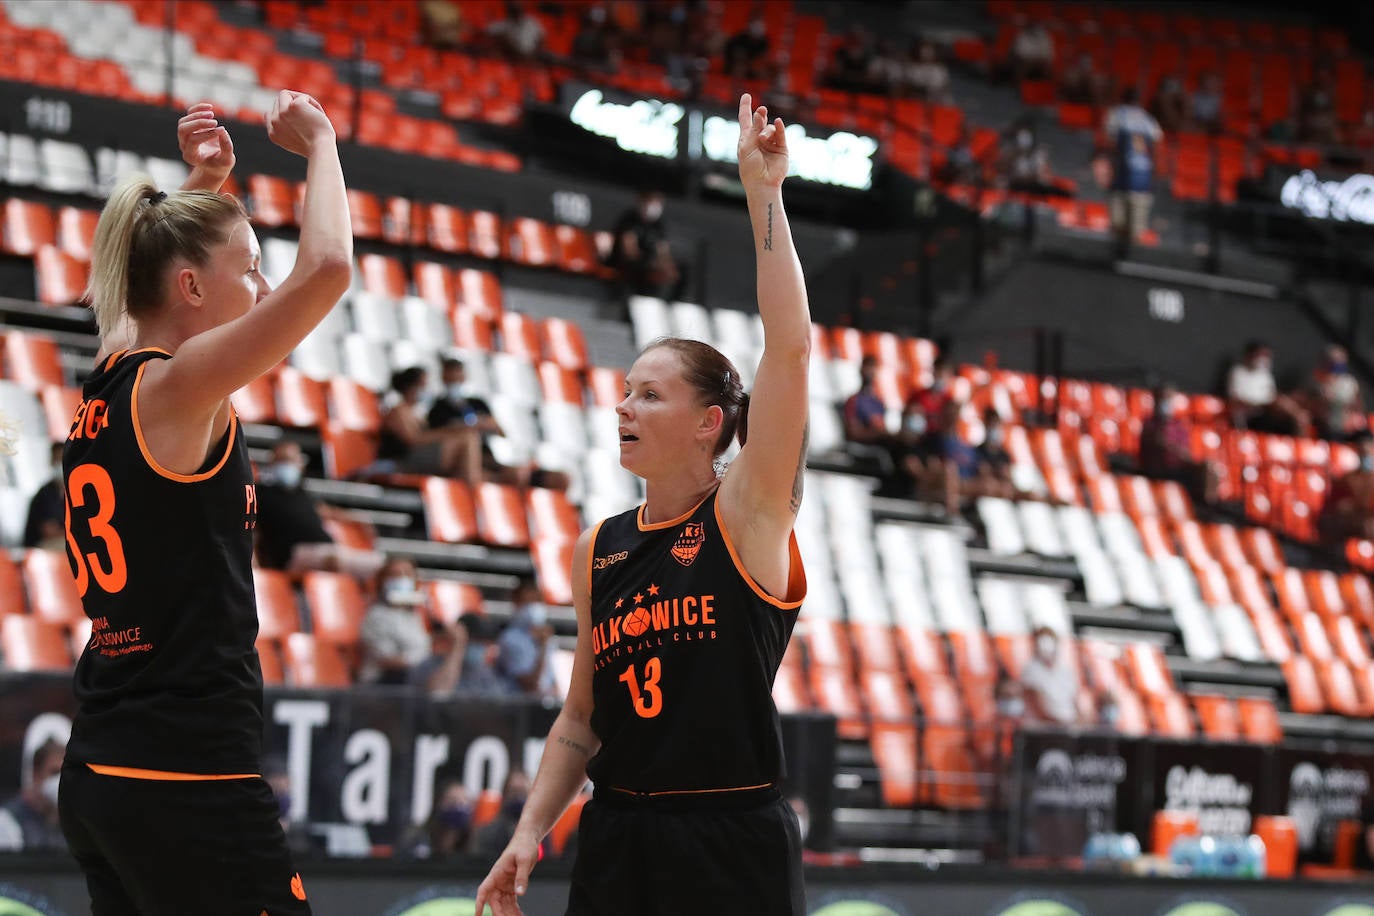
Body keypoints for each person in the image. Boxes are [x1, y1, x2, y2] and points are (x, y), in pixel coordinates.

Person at [477, 93, 809, 916]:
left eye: (649, 396)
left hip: (731, 839)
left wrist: (763, 195)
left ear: (708, 424)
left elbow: (791, 347)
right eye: (624, 392)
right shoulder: (598, 548)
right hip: (620, 834)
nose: (622, 407)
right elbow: (581, 719)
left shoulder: (748, 514)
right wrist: (527, 834)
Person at [57, 90, 349, 916]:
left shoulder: (113, 372)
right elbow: (327, 270)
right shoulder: (179, 389)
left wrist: (209, 180)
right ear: (190, 285)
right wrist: (323, 145)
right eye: (250, 266)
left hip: (106, 771)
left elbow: (159, 271)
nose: (259, 285)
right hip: (187, 776)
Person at [255, 439, 386, 580]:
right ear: (271, 463)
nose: (287, 465)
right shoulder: (260, 494)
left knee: (385, 567)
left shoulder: (301, 493)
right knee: (334, 560)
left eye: (291, 460)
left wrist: (358, 518)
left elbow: (326, 511)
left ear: (301, 464)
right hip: (293, 554)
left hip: (325, 549)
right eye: (282, 460)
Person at [378, 365, 484, 483]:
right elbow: (413, 440)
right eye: (424, 385)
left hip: (420, 457)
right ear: (412, 387)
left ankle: (467, 490)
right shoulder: (398, 411)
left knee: (469, 441)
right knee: (467, 439)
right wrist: (448, 431)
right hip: (404, 460)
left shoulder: (417, 415)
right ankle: (472, 490)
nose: (427, 389)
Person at [1104, 87, 1162, 259]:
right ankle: (1129, 259)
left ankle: (1118, 259)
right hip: (1141, 180)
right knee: (1135, 230)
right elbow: (1158, 144)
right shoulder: (1148, 119)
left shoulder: (1117, 115)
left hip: (1122, 177)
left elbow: (1110, 142)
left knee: (1118, 226)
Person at [1138, 384, 1219, 505]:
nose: (1165, 403)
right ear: (1155, 400)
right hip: (1157, 469)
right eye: (1163, 399)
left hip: (1178, 467)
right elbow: (1155, 445)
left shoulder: (1179, 425)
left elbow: (1184, 451)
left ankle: (1208, 506)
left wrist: (1174, 449)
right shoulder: (1149, 423)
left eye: (1168, 399)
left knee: (1208, 467)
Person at [358, 556, 433, 685]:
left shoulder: (413, 615)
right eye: (395, 574)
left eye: (407, 574)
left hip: (413, 680)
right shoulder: (376, 616)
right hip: (383, 684)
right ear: (382, 581)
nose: (402, 578)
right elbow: (388, 661)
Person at [607, 190, 684, 303]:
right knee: (640, 266)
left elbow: (662, 251)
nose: (655, 207)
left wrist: (665, 265)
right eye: (652, 203)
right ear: (643, 202)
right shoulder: (630, 219)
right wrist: (650, 262)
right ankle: (628, 303)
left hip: (647, 261)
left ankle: (671, 304)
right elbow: (629, 250)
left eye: (658, 204)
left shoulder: (658, 225)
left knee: (680, 270)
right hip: (625, 261)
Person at [1226, 340, 1308, 435]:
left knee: (1287, 405)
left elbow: (1272, 396)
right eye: (1261, 354)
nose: (1263, 359)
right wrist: (1262, 404)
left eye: (1266, 355)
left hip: (1267, 413)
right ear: (1250, 354)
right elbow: (1236, 400)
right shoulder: (1238, 372)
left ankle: (1299, 427)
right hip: (1250, 415)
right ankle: (1297, 416)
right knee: (1281, 404)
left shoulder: (1265, 375)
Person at [0, 739, 66, 852]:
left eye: (66, 773)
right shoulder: (7, 821)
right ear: (36, 774)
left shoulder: (75, 823)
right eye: (54, 772)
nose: (60, 780)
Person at [496, 578, 558, 697]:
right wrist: (543, 646)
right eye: (528, 602)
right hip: (517, 708)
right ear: (517, 602)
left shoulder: (547, 639)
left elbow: (551, 681)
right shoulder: (510, 639)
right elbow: (531, 685)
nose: (534, 607)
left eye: (537, 601)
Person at [1318, 432, 1374, 545]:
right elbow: (1332, 509)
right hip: (1351, 524)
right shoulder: (1346, 479)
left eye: (1368, 453)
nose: (1366, 457)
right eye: (1363, 453)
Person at [1020, 626, 1081, 727]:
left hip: (1068, 726)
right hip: (1043, 729)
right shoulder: (1030, 670)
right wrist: (1063, 725)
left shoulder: (1066, 670)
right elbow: (1039, 709)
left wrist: (1080, 721)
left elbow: (1074, 702)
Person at [474, 769, 536, 862]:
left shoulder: (540, 833)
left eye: (523, 792)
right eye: (514, 792)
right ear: (505, 795)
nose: (518, 797)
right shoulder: (486, 832)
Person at [406, 779, 476, 860]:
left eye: (464, 802)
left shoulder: (474, 841)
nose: (458, 807)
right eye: (452, 801)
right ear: (439, 802)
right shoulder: (418, 836)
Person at [1307, 345, 1366, 442]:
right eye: (1335, 361)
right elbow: (1314, 406)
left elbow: (1358, 405)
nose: (1339, 364)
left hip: (1348, 425)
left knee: (1365, 436)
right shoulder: (1317, 379)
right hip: (1327, 426)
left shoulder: (1349, 382)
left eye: (1342, 360)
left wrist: (1353, 417)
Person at [22, 441, 65, 550]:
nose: (60, 464)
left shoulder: (70, 493)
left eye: (63, 460)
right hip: (38, 549)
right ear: (51, 462)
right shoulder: (46, 494)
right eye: (57, 460)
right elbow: (49, 532)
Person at [723, 14, 769, 80]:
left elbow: (765, 59)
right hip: (735, 66)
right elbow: (737, 59)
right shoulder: (739, 39)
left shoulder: (764, 42)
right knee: (740, 68)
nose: (758, 26)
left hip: (751, 68)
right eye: (755, 23)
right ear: (749, 25)